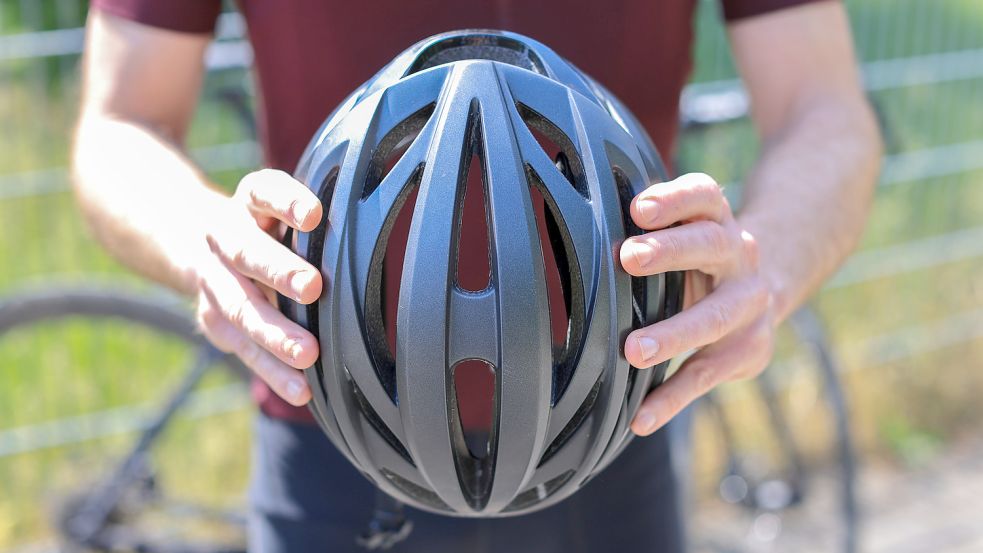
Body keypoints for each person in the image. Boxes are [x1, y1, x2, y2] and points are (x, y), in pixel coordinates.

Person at [72, 1, 881, 551]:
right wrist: (201, 236)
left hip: (612, 436)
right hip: (332, 437)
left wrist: (762, 263)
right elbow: (118, 124)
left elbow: (824, 110)